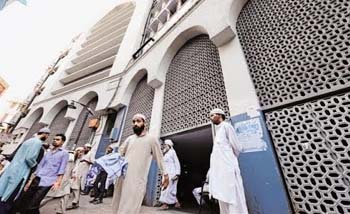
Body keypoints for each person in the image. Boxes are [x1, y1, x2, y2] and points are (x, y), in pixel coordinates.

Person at [112, 113, 169, 214]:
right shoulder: (130, 139)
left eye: (138, 121)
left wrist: (165, 175)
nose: (135, 124)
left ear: (144, 123)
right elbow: (119, 153)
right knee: (117, 204)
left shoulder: (151, 139)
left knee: (131, 206)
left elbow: (160, 158)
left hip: (137, 180)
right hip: (123, 177)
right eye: (134, 122)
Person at [0, 127, 50, 213]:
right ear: (45, 134)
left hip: (12, 169)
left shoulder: (28, 141)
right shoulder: (37, 143)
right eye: (48, 135)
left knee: (3, 192)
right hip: (20, 173)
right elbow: (30, 158)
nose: (47, 137)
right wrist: (35, 165)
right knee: (10, 195)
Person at [208, 108, 248, 214]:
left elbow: (237, 147)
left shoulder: (227, 126)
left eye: (212, 115)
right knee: (223, 195)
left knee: (232, 195)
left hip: (228, 168)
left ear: (220, 115)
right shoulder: (218, 131)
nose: (211, 118)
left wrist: (230, 161)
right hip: (220, 170)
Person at [21, 133, 69, 214]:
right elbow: (40, 166)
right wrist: (30, 181)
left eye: (58, 140)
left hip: (48, 181)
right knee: (25, 201)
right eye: (54, 139)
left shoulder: (64, 153)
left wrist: (58, 182)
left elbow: (62, 169)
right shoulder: (48, 152)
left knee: (34, 204)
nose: (55, 141)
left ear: (62, 142)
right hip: (37, 179)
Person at [45, 147, 84, 214]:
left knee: (66, 195)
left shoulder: (76, 160)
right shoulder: (70, 158)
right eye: (80, 152)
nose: (81, 154)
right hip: (60, 180)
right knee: (49, 196)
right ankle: (33, 207)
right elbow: (63, 169)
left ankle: (60, 211)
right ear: (77, 151)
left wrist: (72, 175)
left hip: (66, 181)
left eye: (82, 152)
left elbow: (70, 170)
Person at [66, 143, 93, 210]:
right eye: (79, 151)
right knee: (74, 188)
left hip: (81, 174)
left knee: (76, 188)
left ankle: (75, 202)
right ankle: (75, 202)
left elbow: (93, 162)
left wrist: (85, 161)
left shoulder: (89, 154)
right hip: (75, 175)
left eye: (81, 151)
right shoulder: (75, 158)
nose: (80, 152)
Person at [159, 139, 181, 210]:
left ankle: (165, 205)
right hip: (166, 174)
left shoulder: (172, 152)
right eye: (164, 145)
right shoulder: (165, 154)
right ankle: (177, 203)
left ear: (169, 145)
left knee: (168, 189)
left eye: (165, 145)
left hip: (172, 174)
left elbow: (177, 163)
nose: (164, 146)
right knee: (169, 189)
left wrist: (177, 174)